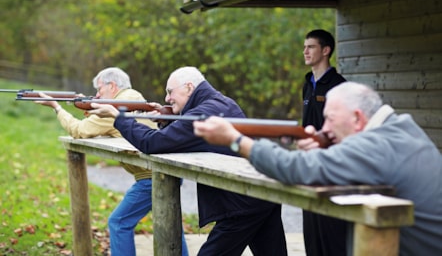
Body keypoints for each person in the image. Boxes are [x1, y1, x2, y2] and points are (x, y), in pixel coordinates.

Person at [193, 81, 442, 256]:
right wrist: (323, 146)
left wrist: (236, 140)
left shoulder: (375, 145)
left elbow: (297, 168)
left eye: (331, 119)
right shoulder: (400, 127)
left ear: (357, 118)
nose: (326, 128)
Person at [88, 66, 288, 256]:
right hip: (258, 195)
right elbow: (185, 135)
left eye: (170, 92)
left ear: (189, 88)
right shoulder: (218, 104)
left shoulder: (204, 112)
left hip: (242, 205)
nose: (167, 98)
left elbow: (153, 143)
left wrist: (118, 117)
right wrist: (168, 119)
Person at [34, 67, 189, 256]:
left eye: (100, 89)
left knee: (119, 223)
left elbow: (79, 130)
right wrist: (88, 105)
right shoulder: (134, 97)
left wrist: (56, 107)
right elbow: (101, 125)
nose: (97, 94)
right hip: (165, 172)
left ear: (112, 86)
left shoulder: (115, 107)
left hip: (152, 177)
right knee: (170, 225)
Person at [301, 29, 347, 256]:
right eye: (304, 47)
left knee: (331, 229)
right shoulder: (307, 84)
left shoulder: (339, 85)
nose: (305, 51)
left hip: (331, 168)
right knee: (310, 228)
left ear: (326, 50)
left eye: (311, 47)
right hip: (308, 165)